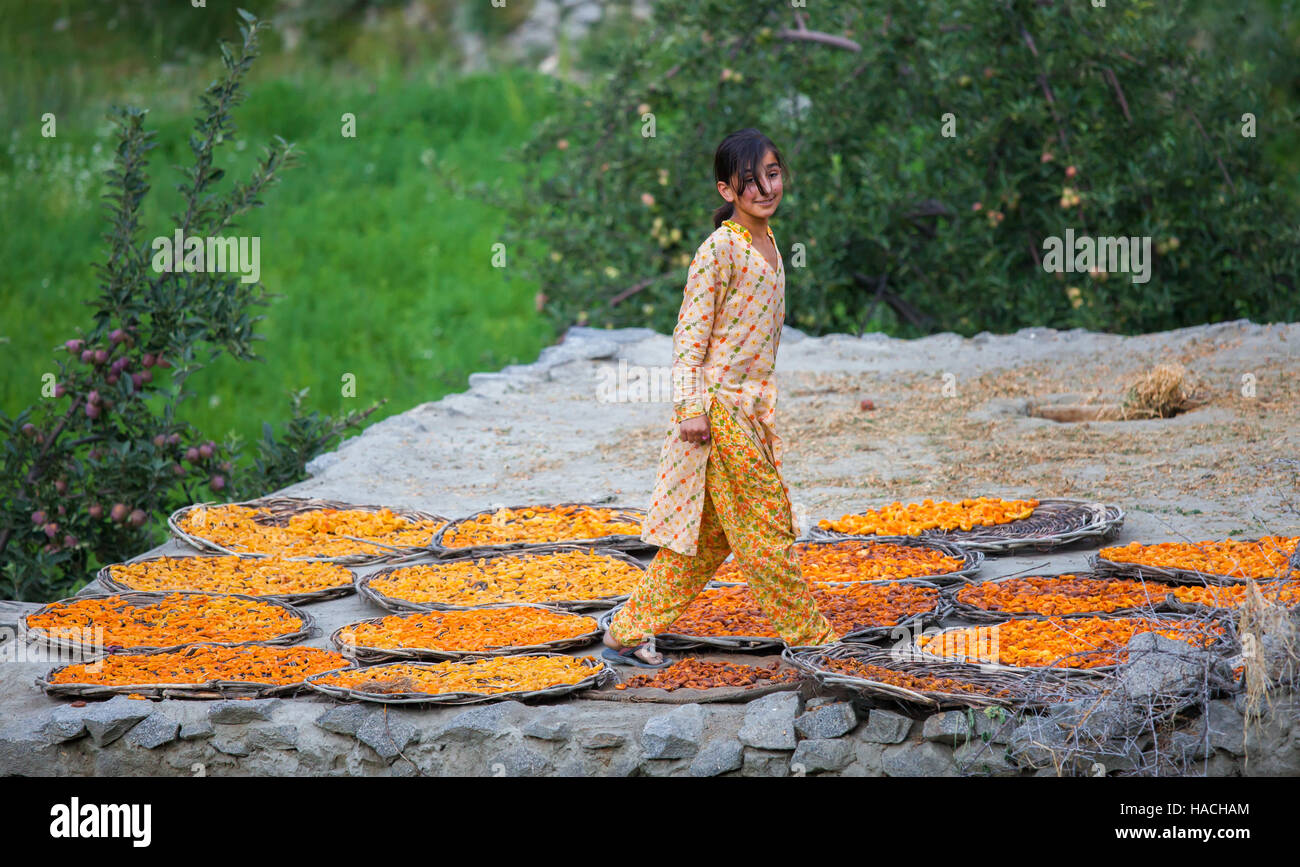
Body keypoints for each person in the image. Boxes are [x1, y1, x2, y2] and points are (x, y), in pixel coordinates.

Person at [602, 128, 840, 667]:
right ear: (726, 190)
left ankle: (627, 630)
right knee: (766, 528)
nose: (765, 188)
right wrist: (690, 410)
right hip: (719, 412)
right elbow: (688, 337)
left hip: (753, 411)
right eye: (750, 181)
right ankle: (810, 637)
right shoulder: (719, 250)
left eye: (773, 175)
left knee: (706, 543)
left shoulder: (771, 242)